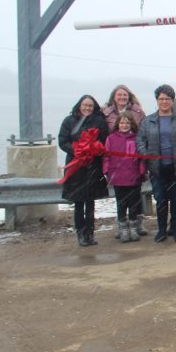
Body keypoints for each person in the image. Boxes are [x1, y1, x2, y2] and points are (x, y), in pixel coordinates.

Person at [137, 84, 176, 242]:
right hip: (157, 168)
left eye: (167, 99)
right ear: (157, 100)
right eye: (161, 99)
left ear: (172, 100)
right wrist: (146, 154)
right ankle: (161, 230)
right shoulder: (148, 121)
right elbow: (140, 140)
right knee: (161, 200)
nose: (164, 102)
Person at [59, 95, 109, 247]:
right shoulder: (69, 121)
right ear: (79, 105)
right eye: (85, 105)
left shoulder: (98, 121)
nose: (87, 108)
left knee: (91, 202)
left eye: (90, 105)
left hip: (93, 166)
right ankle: (80, 232)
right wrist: (77, 150)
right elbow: (62, 141)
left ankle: (90, 232)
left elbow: (104, 139)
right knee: (79, 201)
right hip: (76, 166)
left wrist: (94, 149)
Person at [103, 111, 146, 243]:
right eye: (122, 122)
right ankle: (123, 227)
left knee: (134, 204)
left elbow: (141, 158)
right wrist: (107, 171)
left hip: (134, 176)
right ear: (118, 124)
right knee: (121, 203)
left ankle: (133, 226)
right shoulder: (111, 138)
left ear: (132, 124)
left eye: (127, 123)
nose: (125, 125)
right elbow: (106, 156)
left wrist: (142, 171)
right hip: (118, 177)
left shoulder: (136, 138)